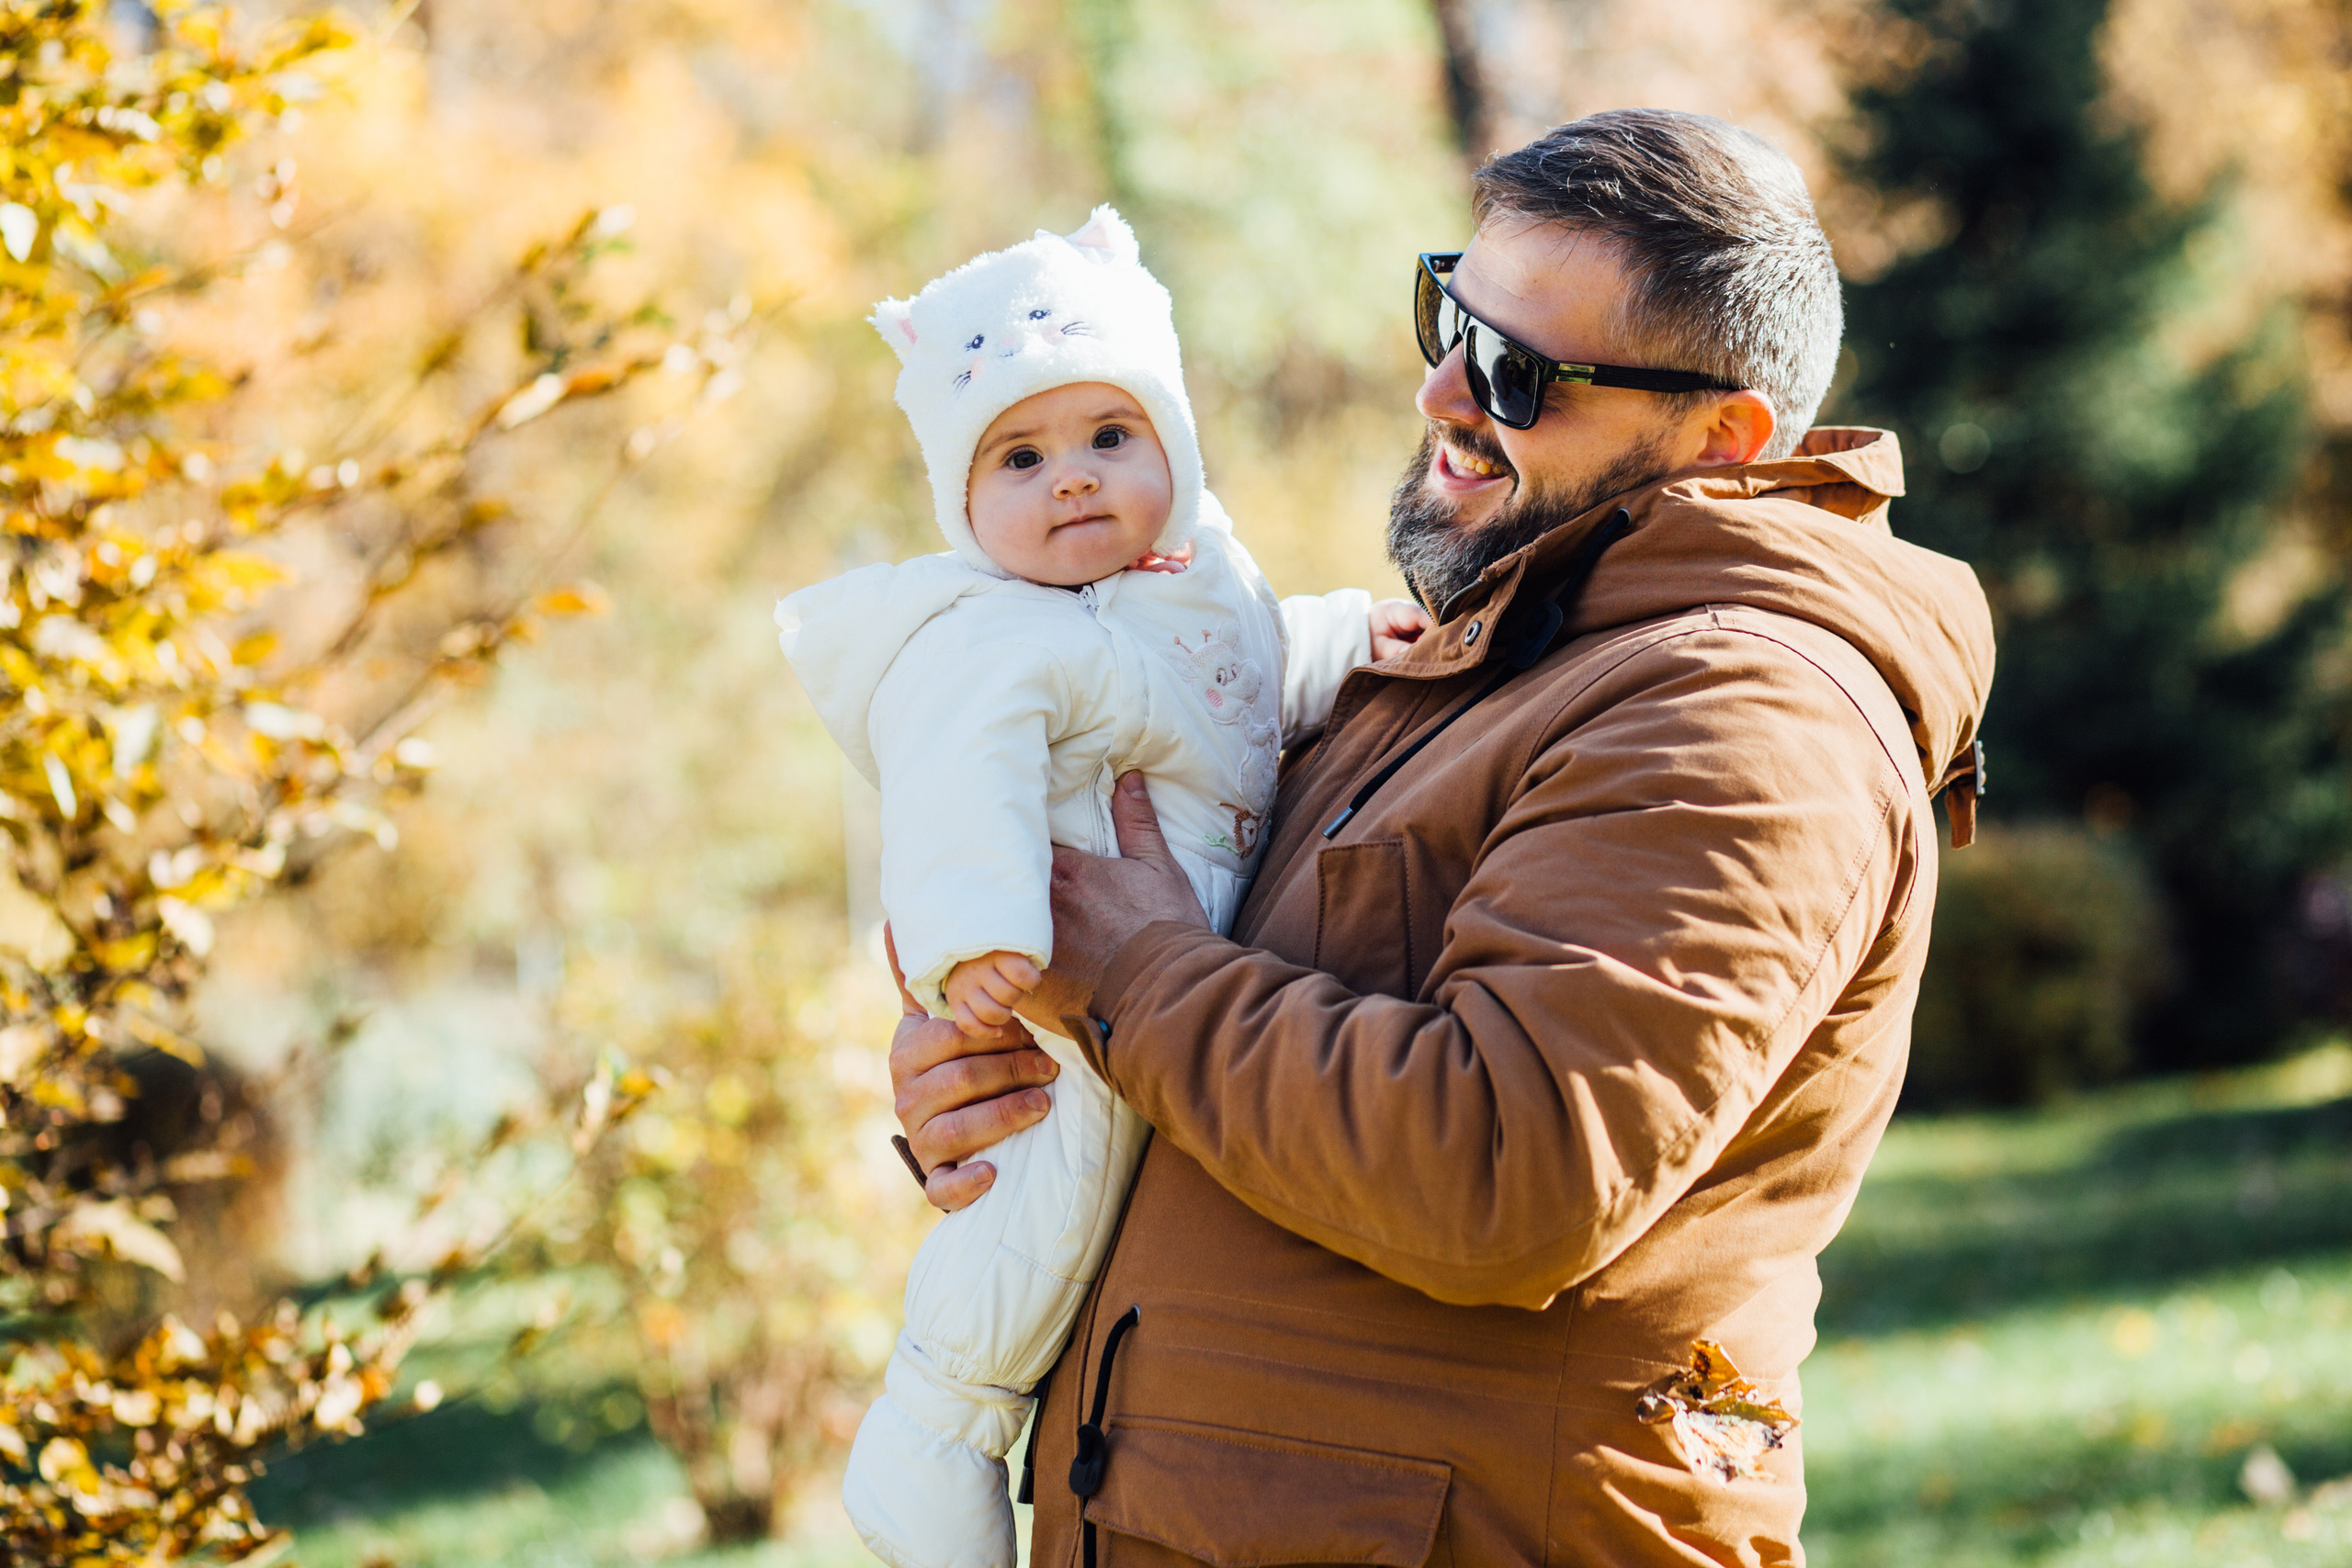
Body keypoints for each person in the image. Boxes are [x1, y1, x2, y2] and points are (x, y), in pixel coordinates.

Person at [887, 109, 1998, 1565]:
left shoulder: (1742, 717)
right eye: (1449, 316)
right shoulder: (1470, 661)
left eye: (1519, 373)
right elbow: (1226, 1045)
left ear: (1719, 436)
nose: (1440, 391)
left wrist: (1135, 978)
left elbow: (1508, 1171)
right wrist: (996, 1084)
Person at [776, 207, 1424, 1568]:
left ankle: (963, 1432)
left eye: (1108, 440)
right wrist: (977, 940)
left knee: (1086, 1206)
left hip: (1174, 966)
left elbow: (1250, 675)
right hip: (1066, 985)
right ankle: (936, 1432)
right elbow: (958, 783)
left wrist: (1350, 631)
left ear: (1172, 451)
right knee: (1042, 1203)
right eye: (1020, 456)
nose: (1072, 480)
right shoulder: (990, 638)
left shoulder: (1199, 580)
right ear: (962, 499)